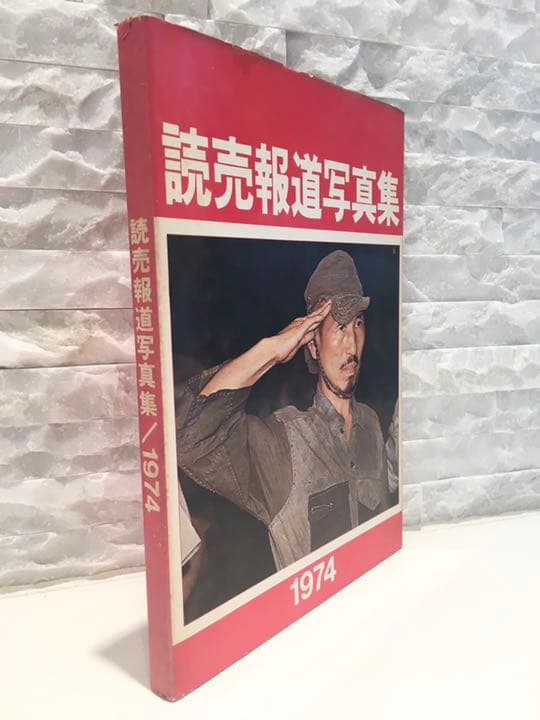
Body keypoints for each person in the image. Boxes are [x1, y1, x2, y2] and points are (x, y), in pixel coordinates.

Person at [176, 249, 390, 571]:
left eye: (357, 325)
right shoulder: (283, 442)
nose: (351, 344)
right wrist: (272, 349)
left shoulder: (371, 424)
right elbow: (190, 439)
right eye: (339, 328)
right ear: (313, 345)